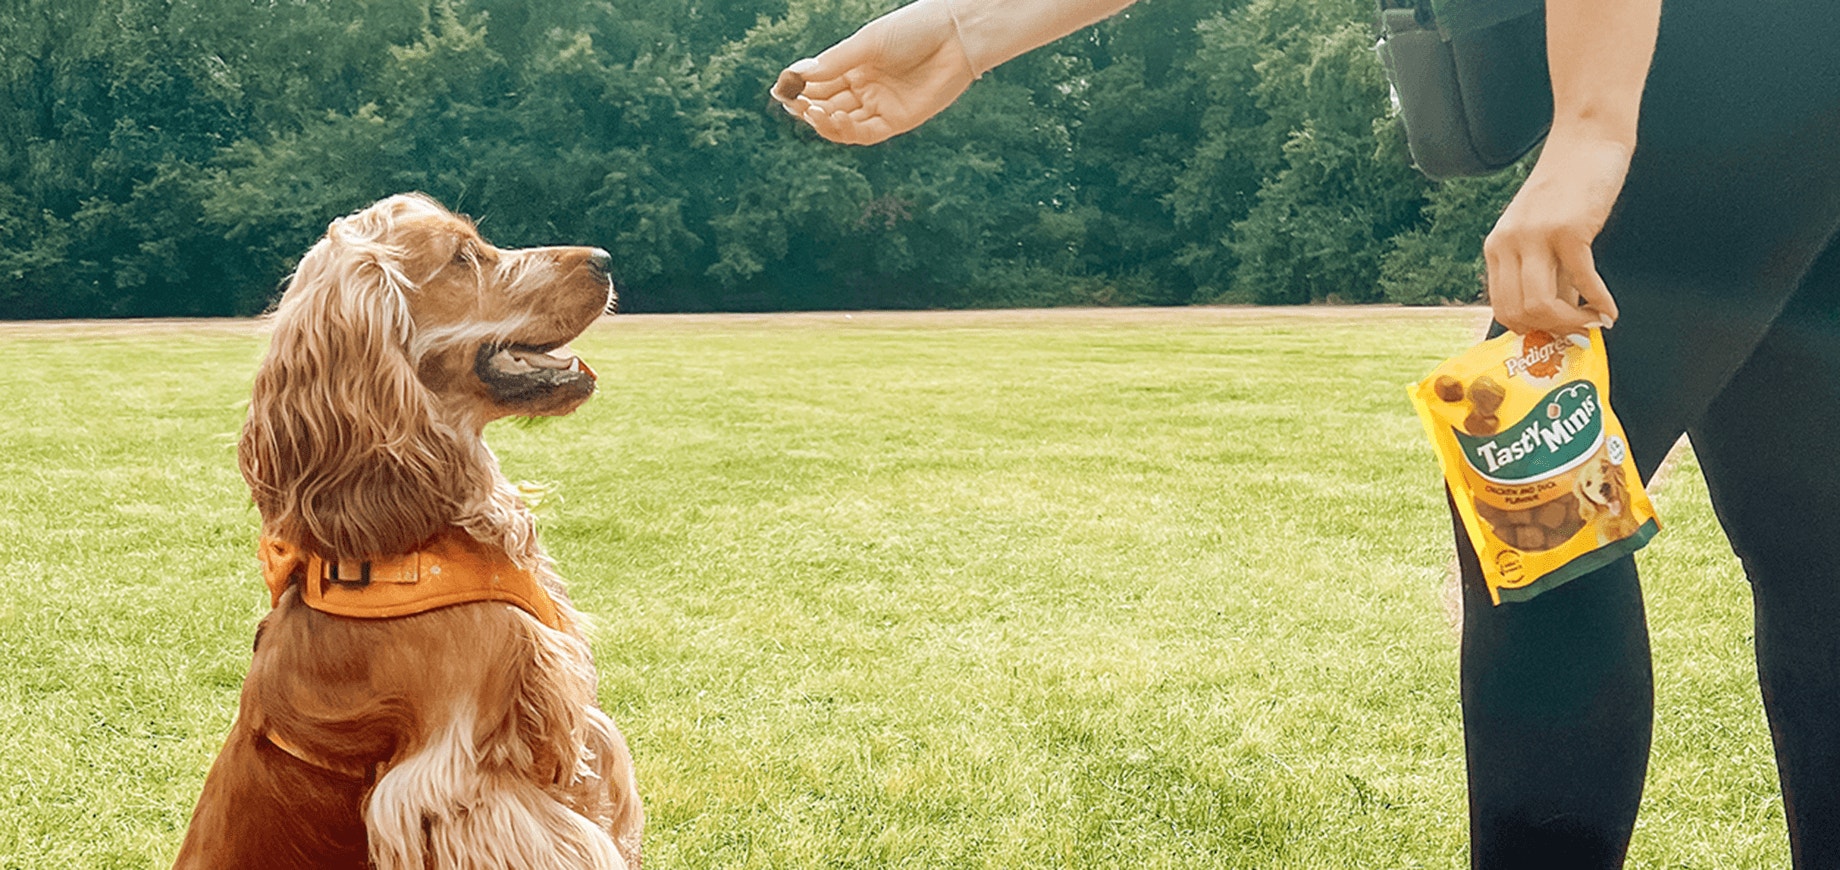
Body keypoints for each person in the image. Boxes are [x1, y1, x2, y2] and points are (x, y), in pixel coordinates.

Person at [773, 1, 1840, 866]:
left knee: (1530, 493)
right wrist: (967, 31)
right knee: (1814, 544)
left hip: (1733, 43)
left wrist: (1594, 128)